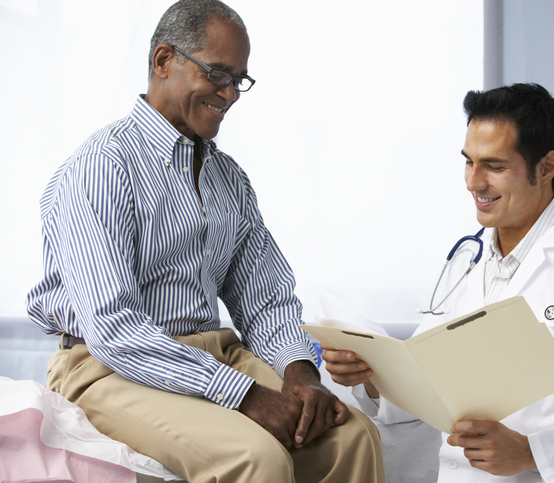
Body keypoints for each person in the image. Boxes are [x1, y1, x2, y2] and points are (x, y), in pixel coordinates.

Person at [25, 1, 384, 482]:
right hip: (107, 366)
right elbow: (114, 329)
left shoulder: (228, 179)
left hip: (212, 352)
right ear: (163, 61)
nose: (230, 93)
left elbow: (264, 301)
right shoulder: (101, 167)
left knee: (354, 436)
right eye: (218, 73)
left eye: (239, 79)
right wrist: (247, 394)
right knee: (257, 456)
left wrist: (300, 373)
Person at [323, 83, 554, 482]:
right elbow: (430, 388)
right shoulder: (467, 262)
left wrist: (531, 451)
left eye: (495, 166)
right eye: (469, 162)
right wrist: (372, 378)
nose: (473, 182)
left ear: (547, 166)